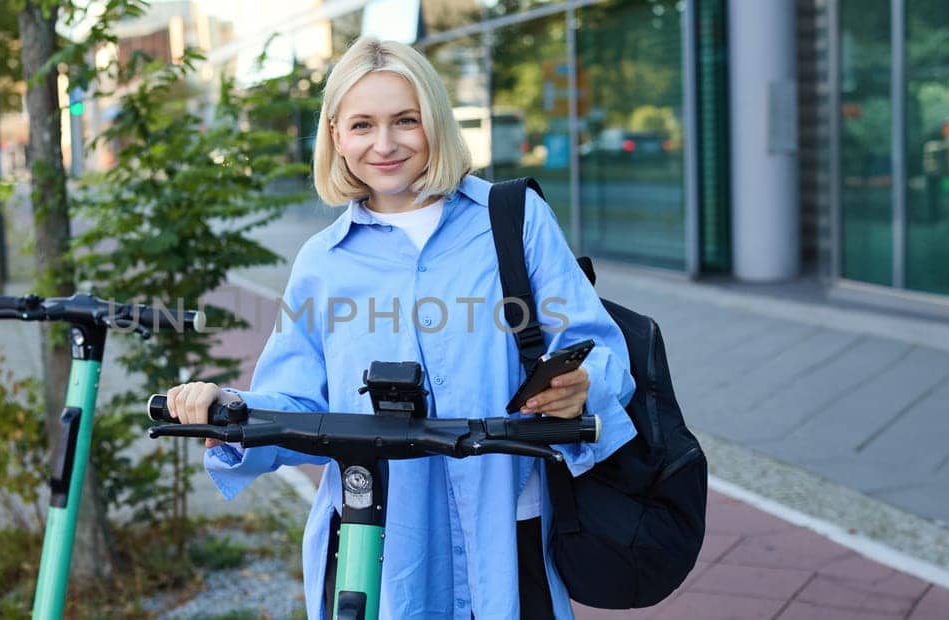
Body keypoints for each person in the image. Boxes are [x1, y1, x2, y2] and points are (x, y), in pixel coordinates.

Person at [164, 37, 636, 619]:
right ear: (336, 135)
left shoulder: (513, 220)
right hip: (378, 540)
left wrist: (581, 386)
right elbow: (296, 399)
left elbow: (599, 352)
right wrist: (228, 408)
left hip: (506, 537)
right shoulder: (322, 260)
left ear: (434, 123)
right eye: (362, 125)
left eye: (405, 121)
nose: (384, 145)